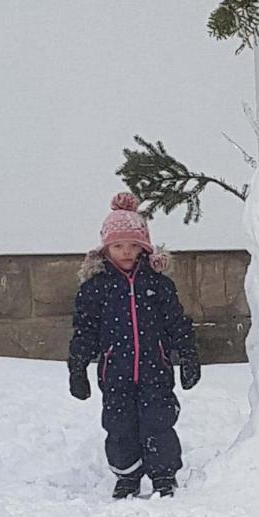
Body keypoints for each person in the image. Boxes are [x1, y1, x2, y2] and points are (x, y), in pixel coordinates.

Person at [67, 192, 200, 499]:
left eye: (132, 246)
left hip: (156, 369)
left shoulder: (157, 284)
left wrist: (188, 354)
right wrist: (77, 368)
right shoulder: (96, 288)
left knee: (159, 423)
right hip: (115, 372)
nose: (126, 252)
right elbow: (84, 330)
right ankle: (127, 475)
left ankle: (163, 474)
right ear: (106, 249)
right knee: (119, 425)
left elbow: (177, 322)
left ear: (144, 247)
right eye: (118, 246)